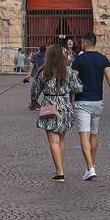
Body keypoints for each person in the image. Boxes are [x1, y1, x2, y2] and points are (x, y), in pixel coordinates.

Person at [69, 32, 110, 181]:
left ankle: (90, 168)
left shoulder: (79, 59)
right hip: (98, 101)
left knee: (84, 134)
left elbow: (73, 80)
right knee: (94, 134)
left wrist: (71, 98)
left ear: (85, 42)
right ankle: (91, 165)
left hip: (83, 101)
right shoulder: (103, 59)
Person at [31, 40, 81, 181]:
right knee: (62, 137)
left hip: (49, 104)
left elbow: (35, 91)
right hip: (64, 104)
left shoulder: (43, 71)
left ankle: (59, 172)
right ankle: (60, 167)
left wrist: (33, 101)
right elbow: (78, 87)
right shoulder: (67, 71)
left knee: (53, 140)